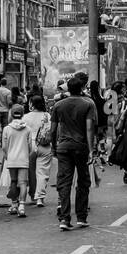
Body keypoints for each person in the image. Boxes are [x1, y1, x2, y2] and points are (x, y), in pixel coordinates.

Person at [49, 75, 97, 230]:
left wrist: (53, 147)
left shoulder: (58, 105)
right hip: (81, 146)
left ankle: (64, 218)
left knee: (64, 182)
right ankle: (81, 217)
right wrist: (91, 150)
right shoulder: (88, 104)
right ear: (82, 88)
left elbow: (53, 129)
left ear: (68, 89)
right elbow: (90, 128)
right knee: (83, 181)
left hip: (63, 146)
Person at [0, 104, 33, 217]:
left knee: (13, 181)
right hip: (23, 158)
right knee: (23, 183)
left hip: (12, 158)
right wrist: (26, 154)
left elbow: (4, 146)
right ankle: (22, 206)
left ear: (11, 114)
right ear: (22, 114)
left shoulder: (7, 129)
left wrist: (7, 156)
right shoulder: (28, 129)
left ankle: (14, 204)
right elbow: (30, 146)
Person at [24, 94, 53, 208]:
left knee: (31, 172)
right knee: (42, 172)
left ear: (32, 104)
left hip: (30, 146)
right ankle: (40, 197)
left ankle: (32, 195)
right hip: (44, 145)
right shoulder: (48, 116)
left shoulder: (26, 117)